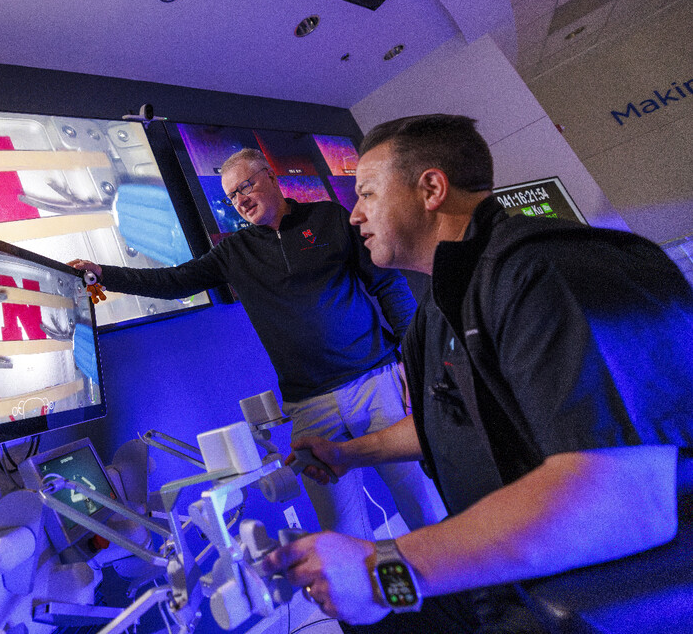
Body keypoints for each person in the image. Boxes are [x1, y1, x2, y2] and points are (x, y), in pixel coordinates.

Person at [266, 114, 693, 632]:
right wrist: (351, 453)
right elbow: (454, 420)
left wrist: (385, 569)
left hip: (609, 594)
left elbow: (624, 497)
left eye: (369, 193)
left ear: (430, 188)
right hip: (510, 584)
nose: (354, 215)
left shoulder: (548, 269)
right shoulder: (436, 311)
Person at [70, 148, 447, 539]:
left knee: (421, 501)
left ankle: (460, 593)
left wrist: (415, 363)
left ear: (271, 176)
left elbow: (389, 286)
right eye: (232, 195)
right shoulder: (235, 252)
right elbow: (172, 282)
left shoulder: (329, 218)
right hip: (310, 405)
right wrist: (103, 274)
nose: (241, 199)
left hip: (376, 382)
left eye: (246, 186)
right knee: (341, 530)